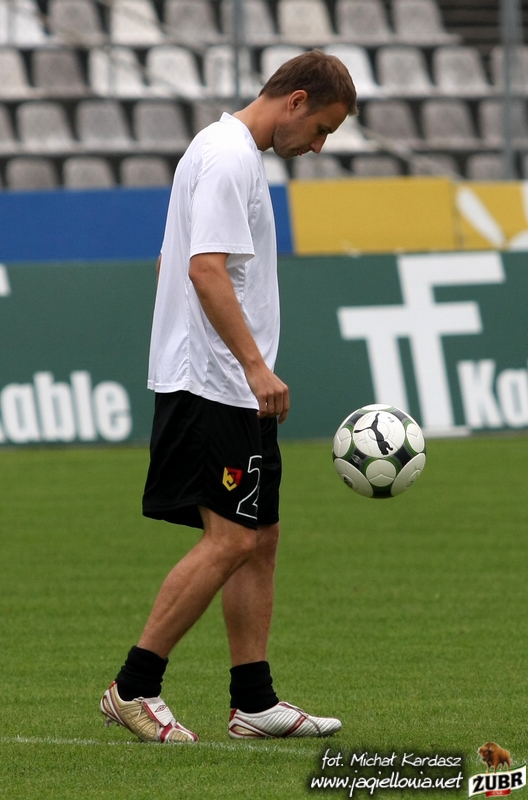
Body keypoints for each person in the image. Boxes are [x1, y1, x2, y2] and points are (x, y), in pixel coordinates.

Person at [101, 49, 357, 743]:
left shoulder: (230, 153)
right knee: (232, 538)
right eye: (322, 128)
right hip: (214, 382)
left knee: (260, 537)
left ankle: (254, 703)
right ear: (296, 101)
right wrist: (252, 366)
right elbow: (204, 269)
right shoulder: (227, 156)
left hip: (228, 382)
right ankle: (134, 687)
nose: (319, 145)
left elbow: (173, 259)